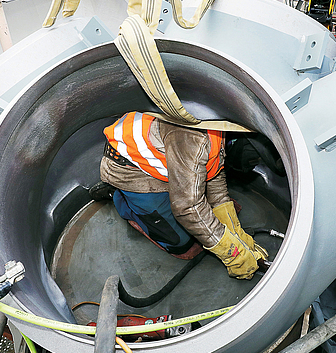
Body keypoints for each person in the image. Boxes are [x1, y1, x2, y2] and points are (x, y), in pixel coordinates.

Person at [91, 111, 268, 280]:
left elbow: (214, 169)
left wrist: (235, 231)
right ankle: (119, 196)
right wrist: (233, 253)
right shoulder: (194, 138)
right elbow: (187, 208)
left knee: (205, 221)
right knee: (183, 245)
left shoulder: (222, 123)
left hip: (171, 162)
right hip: (131, 170)